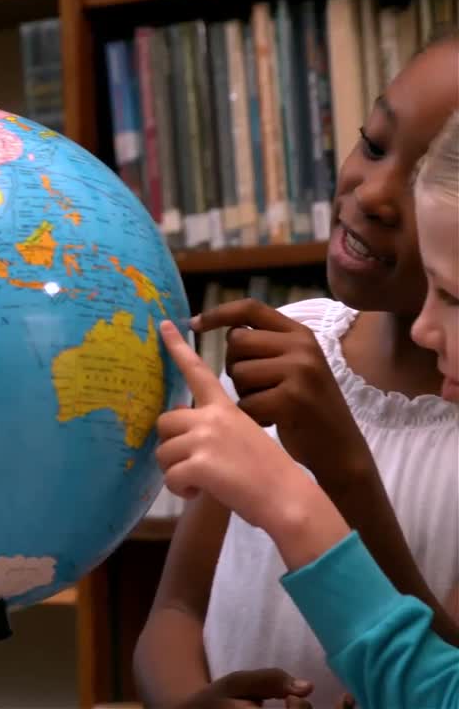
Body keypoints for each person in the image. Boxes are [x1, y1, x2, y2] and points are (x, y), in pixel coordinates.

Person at [133, 36, 459, 708]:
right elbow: (174, 612)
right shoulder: (291, 344)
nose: (372, 195)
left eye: (420, 174)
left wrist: (346, 467)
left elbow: (441, 677)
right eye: (372, 145)